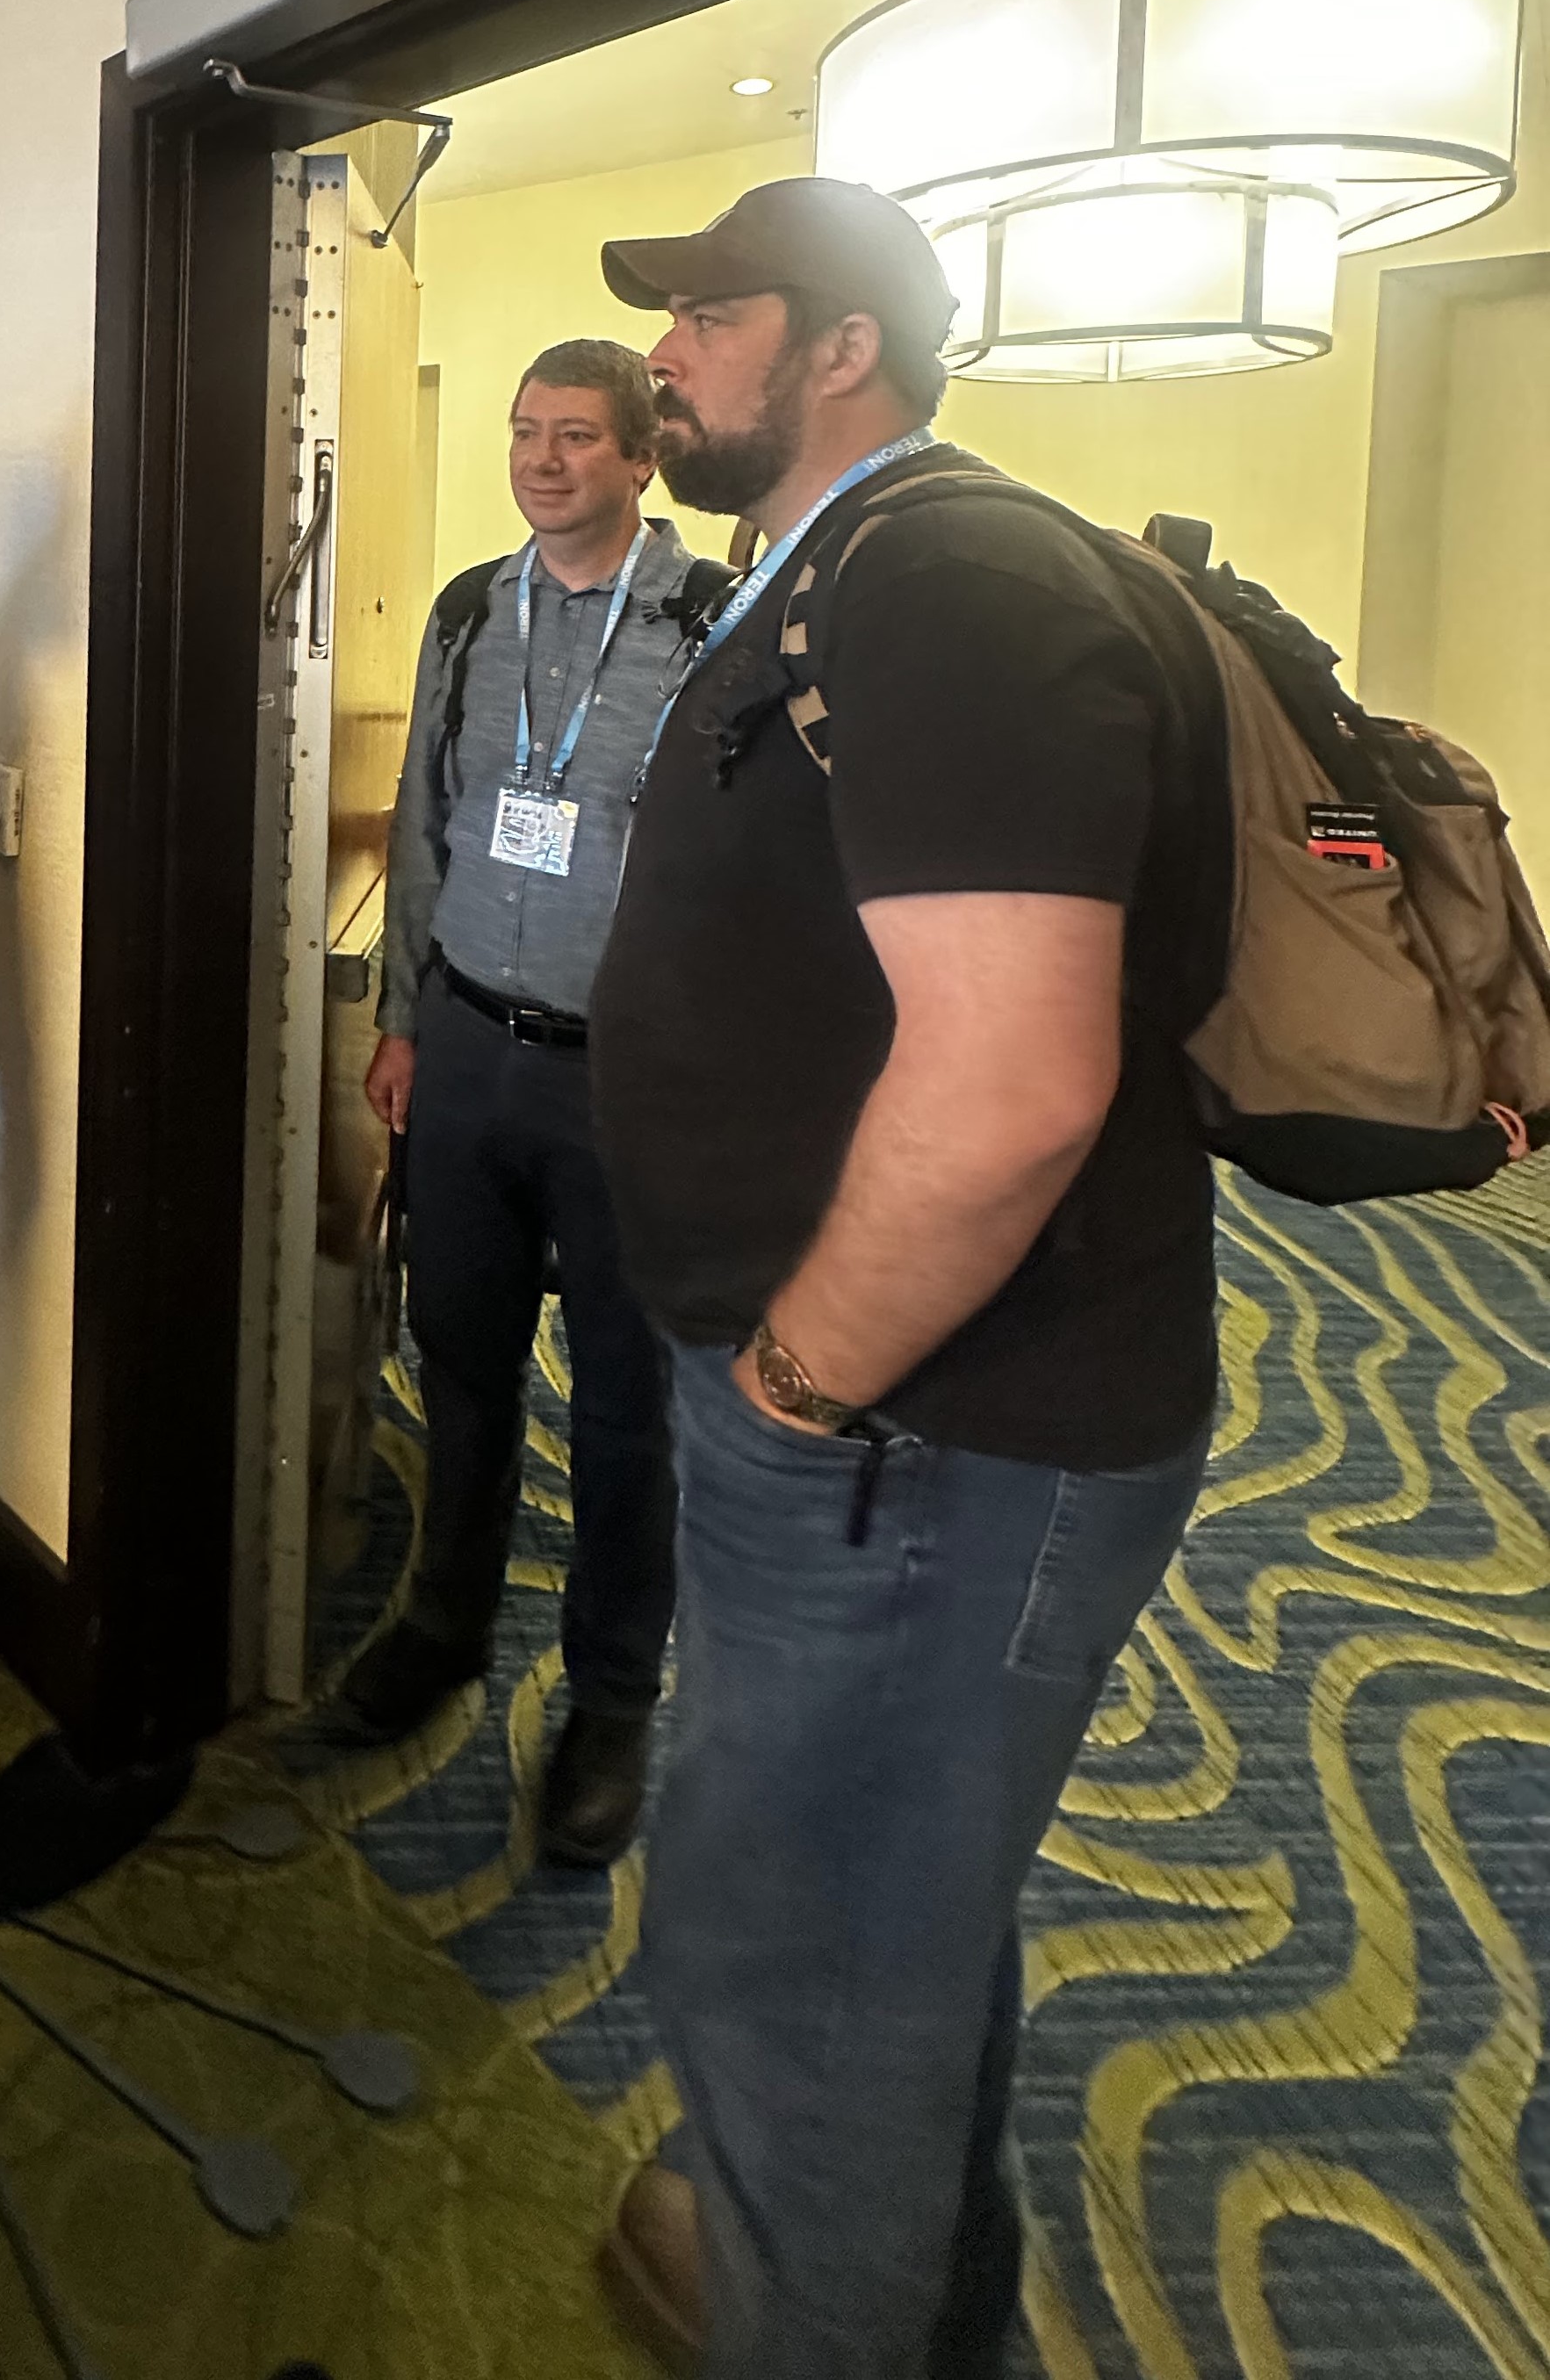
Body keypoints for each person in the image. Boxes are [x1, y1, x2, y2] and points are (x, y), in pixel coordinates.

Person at [587, 180, 1217, 2375]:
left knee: (805, 1944)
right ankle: (891, 2301)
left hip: (926, 1442)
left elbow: (1016, 1085)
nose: (668, 358)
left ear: (837, 345)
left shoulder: (948, 575)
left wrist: (789, 1378)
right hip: (897, 1433)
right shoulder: (845, 572)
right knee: (881, 1926)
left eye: (705, 318)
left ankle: (816, 2306)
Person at [345, 340, 726, 1866]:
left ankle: (613, 1700)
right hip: (468, 1052)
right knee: (462, 1361)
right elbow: (429, 830)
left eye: (577, 437)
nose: (542, 460)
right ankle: (442, 1621)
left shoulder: (709, 622)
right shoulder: (467, 611)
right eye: (524, 434)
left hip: (631, 1082)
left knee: (632, 1411)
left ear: (641, 458)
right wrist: (400, 1018)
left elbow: (737, 864)